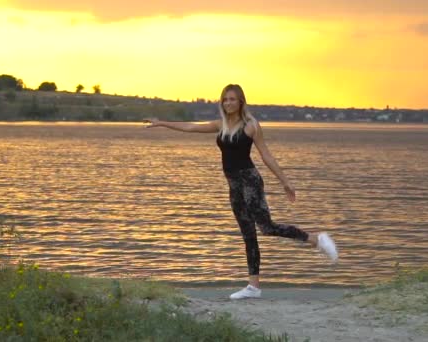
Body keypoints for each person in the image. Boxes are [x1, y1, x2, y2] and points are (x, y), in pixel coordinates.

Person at [144, 84, 338, 299]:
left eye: (232, 99)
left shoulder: (251, 125)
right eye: (225, 99)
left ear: (241, 102)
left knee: (266, 227)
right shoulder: (222, 125)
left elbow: (266, 155)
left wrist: (285, 182)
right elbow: (191, 127)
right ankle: (253, 287)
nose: (228, 103)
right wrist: (162, 123)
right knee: (248, 234)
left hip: (250, 182)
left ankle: (316, 240)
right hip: (234, 185)